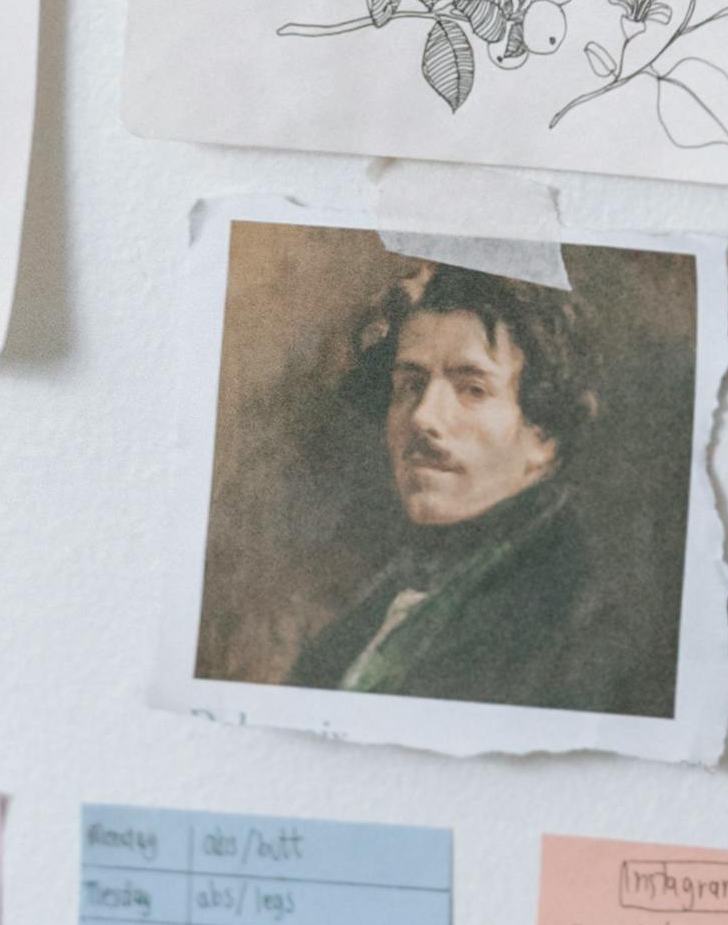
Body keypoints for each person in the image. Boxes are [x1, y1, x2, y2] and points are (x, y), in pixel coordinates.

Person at [281, 261, 681, 722]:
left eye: (472, 388)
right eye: (409, 385)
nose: (423, 417)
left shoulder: (578, 618)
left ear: (542, 433)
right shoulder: (392, 597)